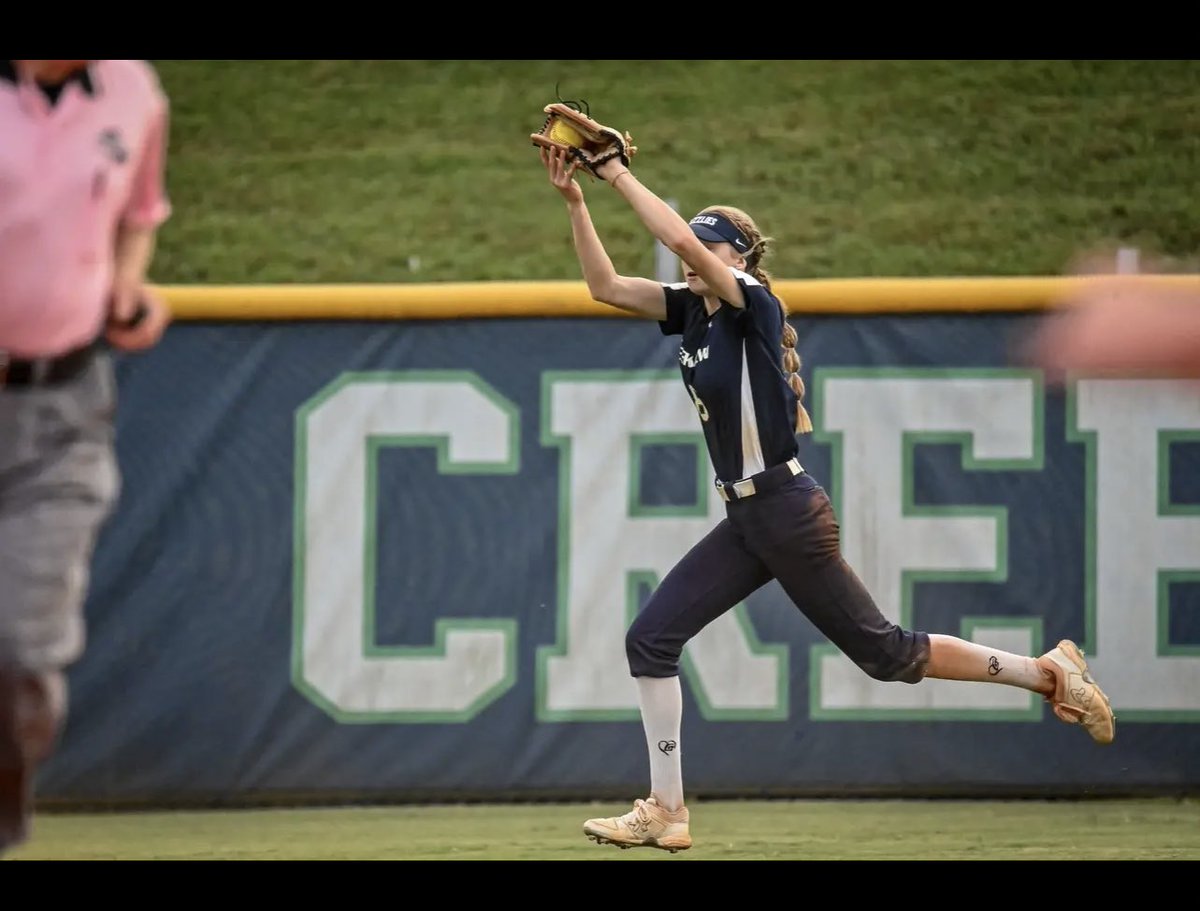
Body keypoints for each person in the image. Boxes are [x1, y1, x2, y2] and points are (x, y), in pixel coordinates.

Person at [537, 145, 1116, 854]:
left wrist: (617, 172)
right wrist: (576, 201)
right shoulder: (695, 313)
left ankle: (1050, 672)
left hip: (786, 510)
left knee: (887, 654)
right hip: (748, 518)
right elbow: (603, 286)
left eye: (714, 249)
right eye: (701, 249)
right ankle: (666, 808)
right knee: (650, 640)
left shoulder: (753, 302)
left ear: (742, 258)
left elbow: (679, 240)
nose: (695, 259)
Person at [0, 59, 173, 855]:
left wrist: (128, 285)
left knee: (21, 650)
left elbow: (139, 209)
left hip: (63, 404)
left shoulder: (132, 92)